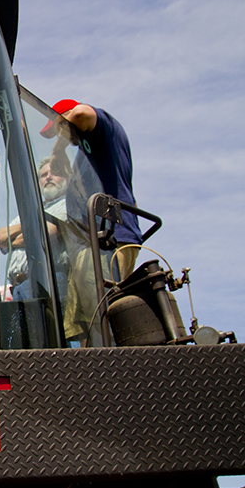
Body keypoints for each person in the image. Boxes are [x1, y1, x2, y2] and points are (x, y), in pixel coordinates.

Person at [41, 99, 142, 346]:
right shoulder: (86, 154)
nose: (64, 138)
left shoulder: (103, 131)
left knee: (104, 320)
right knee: (89, 326)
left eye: (58, 130)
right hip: (92, 246)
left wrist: (58, 150)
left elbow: (82, 114)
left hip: (111, 242)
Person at [0, 157, 70, 301]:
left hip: (49, 282)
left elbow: (46, 235)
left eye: (55, 172)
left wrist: (12, 240)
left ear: (67, 179)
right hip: (18, 287)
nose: (48, 177)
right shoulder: (29, 212)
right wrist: (31, 222)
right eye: (44, 175)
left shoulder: (67, 205)